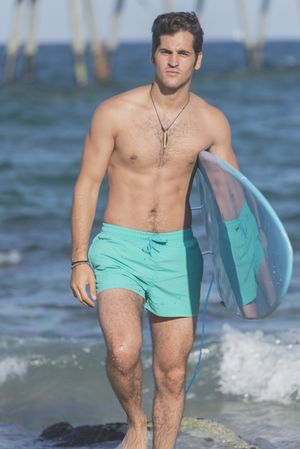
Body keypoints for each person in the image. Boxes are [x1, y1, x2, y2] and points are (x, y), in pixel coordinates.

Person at [70, 11, 239, 449]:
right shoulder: (113, 113)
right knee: (124, 352)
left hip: (176, 252)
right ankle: (136, 422)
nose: (173, 61)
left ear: (197, 60)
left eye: (183, 53)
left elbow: (232, 203)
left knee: (174, 371)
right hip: (118, 247)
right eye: (165, 51)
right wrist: (79, 257)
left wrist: (235, 271)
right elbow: (87, 184)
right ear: (152, 54)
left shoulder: (212, 123)